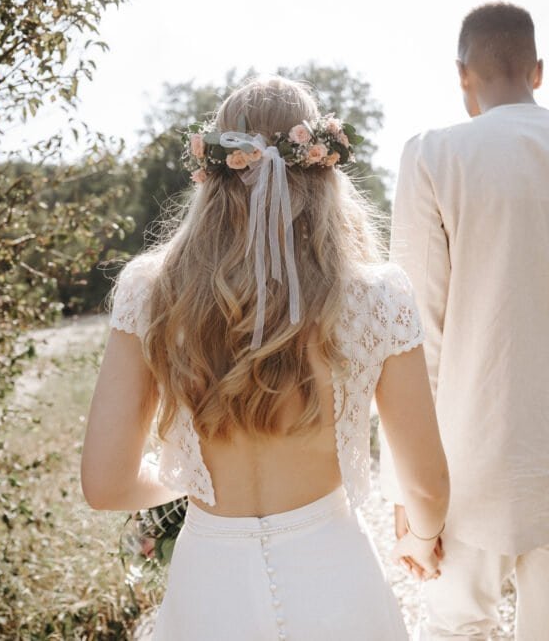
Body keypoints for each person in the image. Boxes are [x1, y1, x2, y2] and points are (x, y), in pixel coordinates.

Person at [81, 76, 449, 640]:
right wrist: (421, 538)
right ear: (324, 170)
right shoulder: (377, 295)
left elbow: (106, 485)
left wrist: (184, 478)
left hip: (209, 592)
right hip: (336, 583)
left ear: (214, 171)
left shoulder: (149, 289)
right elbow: (425, 484)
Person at [381, 2, 549, 640]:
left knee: (456, 630)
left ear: (462, 74)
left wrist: (409, 495)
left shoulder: (433, 157)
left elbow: (413, 334)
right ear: (537, 70)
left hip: (465, 469)